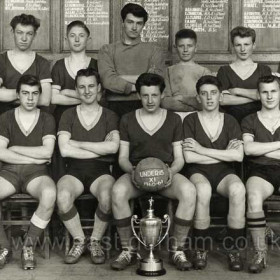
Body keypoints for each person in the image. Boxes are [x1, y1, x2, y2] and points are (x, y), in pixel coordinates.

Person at [111, 73, 196, 271]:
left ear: (162, 95)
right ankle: (128, 250)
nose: (150, 100)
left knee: (189, 191)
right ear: (139, 96)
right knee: (117, 192)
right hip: (137, 173)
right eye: (145, 95)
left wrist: (169, 173)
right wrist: (132, 172)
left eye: (155, 95)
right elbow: (123, 157)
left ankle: (177, 250)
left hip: (166, 172)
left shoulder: (174, 119)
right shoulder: (127, 119)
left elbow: (179, 158)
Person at [56, 68, 119, 265]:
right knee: (62, 196)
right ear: (76, 90)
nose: (87, 91)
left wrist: (78, 143)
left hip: (101, 172)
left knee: (109, 196)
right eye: (82, 87)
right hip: (73, 170)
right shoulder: (68, 115)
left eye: (91, 86)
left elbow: (114, 147)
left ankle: (95, 241)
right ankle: (79, 240)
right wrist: (101, 148)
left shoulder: (109, 115)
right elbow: (64, 151)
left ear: (99, 88)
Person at [182, 75, 246, 271]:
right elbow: (189, 158)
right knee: (202, 190)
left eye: (213, 93)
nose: (209, 97)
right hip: (197, 170)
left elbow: (238, 156)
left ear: (220, 96)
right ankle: (200, 248)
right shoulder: (191, 119)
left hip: (224, 172)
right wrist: (224, 153)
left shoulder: (231, 120)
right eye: (204, 93)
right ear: (198, 97)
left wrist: (201, 149)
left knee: (238, 189)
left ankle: (234, 249)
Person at [0, 74, 56, 270]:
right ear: (17, 94)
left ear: (39, 95)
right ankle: (4, 247)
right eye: (25, 93)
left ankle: (28, 246)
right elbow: (0, 152)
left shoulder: (47, 118)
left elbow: (47, 152)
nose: (30, 98)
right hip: (9, 172)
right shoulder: (6, 117)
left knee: (50, 193)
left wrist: (14, 149)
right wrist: (34, 157)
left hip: (37, 174)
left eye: (34, 94)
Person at [241, 75, 280, 273]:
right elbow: (248, 150)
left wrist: (261, 147)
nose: (269, 96)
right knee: (253, 195)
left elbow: (255, 147)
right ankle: (260, 253)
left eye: (273, 91)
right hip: (261, 169)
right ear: (258, 95)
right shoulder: (250, 120)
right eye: (265, 92)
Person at [98, 3, 165, 117]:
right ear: (123, 23)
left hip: (146, 104)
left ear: (143, 25)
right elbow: (108, 80)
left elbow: (156, 80)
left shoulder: (154, 51)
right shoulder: (107, 50)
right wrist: (142, 82)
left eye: (139, 23)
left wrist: (120, 77)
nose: (134, 27)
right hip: (114, 106)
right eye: (130, 22)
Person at [51, 20, 98, 181]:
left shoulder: (96, 64)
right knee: (63, 156)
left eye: (81, 35)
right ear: (66, 40)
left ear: (88, 40)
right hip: (63, 118)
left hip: (89, 117)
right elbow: (53, 97)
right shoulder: (59, 65)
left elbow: (98, 97)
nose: (77, 40)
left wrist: (68, 92)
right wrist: (85, 98)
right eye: (72, 36)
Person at [217, 26, 271, 123]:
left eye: (246, 44)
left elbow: (267, 95)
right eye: (238, 45)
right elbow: (222, 100)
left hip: (259, 121)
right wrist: (256, 97)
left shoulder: (264, 69)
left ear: (254, 45)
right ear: (233, 46)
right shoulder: (224, 70)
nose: (243, 49)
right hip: (231, 122)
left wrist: (237, 90)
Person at [0, 14, 52, 115]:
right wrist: (32, 96)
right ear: (12, 32)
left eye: (29, 34)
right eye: (19, 33)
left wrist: (8, 95)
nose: (24, 38)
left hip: (34, 121)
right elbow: (39, 99)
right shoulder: (2, 60)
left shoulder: (42, 63)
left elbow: (45, 100)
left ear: (35, 35)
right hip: (3, 120)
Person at [161, 29, 211, 120]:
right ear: (175, 48)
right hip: (174, 118)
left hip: (199, 117)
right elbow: (165, 103)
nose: (185, 50)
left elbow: (206, 102)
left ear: (196, 47)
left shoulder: (204, 72)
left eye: (190, 46)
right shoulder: (168, 71)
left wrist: (181, 98)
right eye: (181, 46)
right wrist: (192, 103)